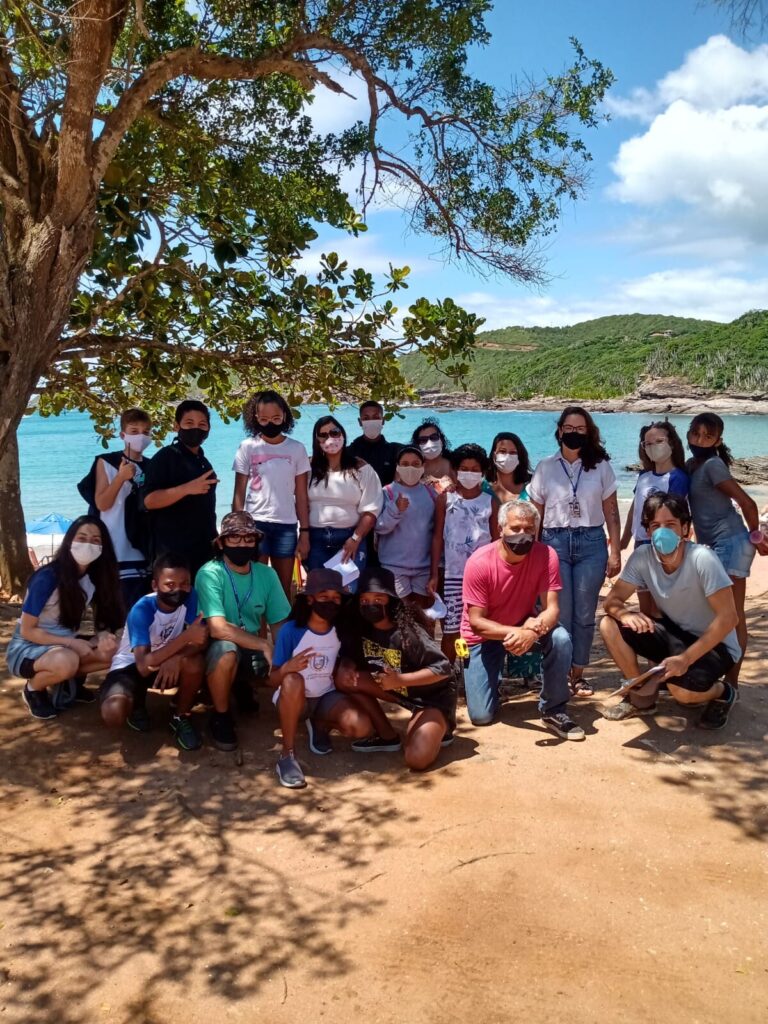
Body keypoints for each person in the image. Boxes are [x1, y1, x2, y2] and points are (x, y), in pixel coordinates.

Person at [600, 493, 741, 729]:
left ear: (685, 528)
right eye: (655, 525)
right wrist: (625, 614)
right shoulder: (643, 557)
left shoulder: (702, 558)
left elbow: (729, 618)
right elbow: (612, 601)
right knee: (609, 623)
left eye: (671, 525)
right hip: (676, 634)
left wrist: (685, 659)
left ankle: (724, 691)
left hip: (716, 645)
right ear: (647, 531)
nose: (662, 531)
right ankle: (640, 696)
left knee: (683, 694)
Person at [460, 499, 585, 740]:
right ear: (500, 529)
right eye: (515, 528)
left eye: (529, 529)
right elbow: (476, 622)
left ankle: (554, 708)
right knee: (481, 717)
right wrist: (517, 632)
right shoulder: (479, 562)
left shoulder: (546, 555)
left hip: (524, 624)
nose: (523, 535)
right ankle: (491, 683)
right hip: (483, 637)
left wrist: (530, 632)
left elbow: (552, 609)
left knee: (560, 638)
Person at [528, 406, 621, 698]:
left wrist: (616, 549)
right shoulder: (545, 466)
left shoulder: (601, 466)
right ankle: (560, 673)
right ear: (559, 431)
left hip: (592, 542)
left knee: (584, 613)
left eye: (580, 429)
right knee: (559, 612)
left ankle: (578, 673)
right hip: (553, 542)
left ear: (589, 432)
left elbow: (612, 510)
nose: (574, 433)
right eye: (569, 428)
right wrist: (532, 549)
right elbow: (536, 514)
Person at [336, 567, 457, 770]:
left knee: (416, 758)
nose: (370, 605)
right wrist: (346, 666)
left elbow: (444, 668)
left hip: (431, 697)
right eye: (364, 600)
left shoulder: (408, 632)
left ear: (390, 600)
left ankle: (441, 726)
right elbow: (351, 657)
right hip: (400, 691)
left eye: (378, 599)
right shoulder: (361, 628)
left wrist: (401, 681)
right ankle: (386, 735)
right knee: (343, 678)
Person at [6, 516, 122, 720]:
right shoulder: (47, 577)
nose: (88, 544)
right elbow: (27, 630)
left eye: (96, 540)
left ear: (104, 547)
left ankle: (70, 683)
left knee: (116, 651)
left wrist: (103, 637)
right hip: (27, 647)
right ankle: (33, 689)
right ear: (69, 541)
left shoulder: (95, 578)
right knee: (66, 661)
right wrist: (71, 643)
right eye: (82, 537)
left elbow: (103, 619)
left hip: (66, 643)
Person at [269, 568, 375, 789]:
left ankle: (319, 724)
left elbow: (347, 658)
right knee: (292, 680)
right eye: (324, 597)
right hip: (293, 699)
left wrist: (347, 664)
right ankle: (287, 755)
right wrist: (289, 667)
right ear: (310, 599)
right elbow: (272, 680)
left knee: (362, 728)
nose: (331, 602)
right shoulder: (291, 631)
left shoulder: (341, 629)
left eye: (336, 598)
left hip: (325, 695)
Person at [195, 511, 291, 750]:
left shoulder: (267, 574)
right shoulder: (209, 573)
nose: (242, 544)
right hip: (217, 646)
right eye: (234, 538)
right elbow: (217, 628)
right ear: (221, 543)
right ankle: (221, 716)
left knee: (287, 659)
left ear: (257, 542)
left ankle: (242, 685)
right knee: (227, 651)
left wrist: (284, 658)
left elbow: (280, 623)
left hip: (251, 648)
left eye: (248, 539)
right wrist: (263, 644)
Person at [685, 412, 767, 688]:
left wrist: (756, 536)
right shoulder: (692, 464)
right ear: (688, 434)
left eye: (708, 436)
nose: (700, 440)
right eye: (696, 433)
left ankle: (731, 683)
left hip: (731, 545)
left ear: (718, 440)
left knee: (733, 617)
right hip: (714, 547)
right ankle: (717, 674)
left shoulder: (712, 466)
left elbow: (748, 503)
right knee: (715, 614)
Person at [100, 554, 209, 749]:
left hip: (163, 660)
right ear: (155, 585)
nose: (178, 589)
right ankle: (135, 703)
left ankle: (180, 716)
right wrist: (185, 638)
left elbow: (200, 640)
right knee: (113, 712)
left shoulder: (191, 596)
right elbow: (142, 666)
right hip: (131, 665)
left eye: (184, 583)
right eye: (169, 584)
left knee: (195, 662)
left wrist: (177, 656)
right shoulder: (142, 609)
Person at [232, 389, 310, 598]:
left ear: (285, 416)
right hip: (254, 525)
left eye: (276, 418)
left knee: (281, 591)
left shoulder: (297, 449)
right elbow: (238, 495)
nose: (270, 424)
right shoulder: (247, 447)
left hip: (286, 527)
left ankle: (279, 631)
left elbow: (301, 495)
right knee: (255, 591)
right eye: (264, 419)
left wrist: (305, 532)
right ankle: (256, 632)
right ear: (255, 418)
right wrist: (237, 531)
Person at [79, 407, 154, 613]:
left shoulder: (151, 467)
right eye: (134, 430)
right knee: (111, 609)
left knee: (138, 609)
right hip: (112, 546)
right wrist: (120, 478)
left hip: (141, 549)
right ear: (123, 435)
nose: (140, 436)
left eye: (146, 432)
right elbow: (102, 503)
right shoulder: (107, 462)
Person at [430, 443, 500, 661]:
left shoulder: (490, 502)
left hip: (484, 578)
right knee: (451, 630)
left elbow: (497, 541)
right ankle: (448, 676)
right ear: (455, 471)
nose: (469, 473)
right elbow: (437, 537)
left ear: (483, 472)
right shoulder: (446, 499)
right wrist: (434, 573)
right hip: (453, 576)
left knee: (482, 627)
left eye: (474, 469)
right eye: (464, 468)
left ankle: (480, 673)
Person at [141, 399, 218, 579]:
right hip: (172, 556)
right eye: (189, 423)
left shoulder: (203, 463)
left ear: (208, 429)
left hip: (204, 552)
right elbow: (148, 501)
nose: (196, 429)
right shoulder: (165, 458)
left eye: (202, 424)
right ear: (177, 426)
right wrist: (187, 488)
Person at [620, 420, 689, 614]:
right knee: (645, 605)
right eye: (648, 443)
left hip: (664, 546)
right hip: (641, 544)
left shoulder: (678, 478)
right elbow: (635, 509)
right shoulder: (643, 476)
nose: (653, 447)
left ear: (672, 443)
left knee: (662, 606)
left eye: (659, 441)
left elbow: (678, 515)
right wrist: (623, 541)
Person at [306, 416, 383, 585]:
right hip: (315, 541)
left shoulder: (361, 468)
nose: (330, 438)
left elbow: (372, 509)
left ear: (343, 434)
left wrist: (355, 539)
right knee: (321, 594)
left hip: (349, 539)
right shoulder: (308, 468)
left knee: (348, 592)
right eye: (323, 435)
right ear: (316, 439)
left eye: (334, 432)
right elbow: (300, 504)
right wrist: (302, 536)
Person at [375, 446, 437, 608]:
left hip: (423, 568)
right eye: (405, 464)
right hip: (393, 567)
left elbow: (437, 529)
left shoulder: (431, 494)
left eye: (416, 464)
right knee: (400, 614)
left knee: (423, 614)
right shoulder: (386, 492)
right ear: (397, 466)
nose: (410, 468)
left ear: (423, 466)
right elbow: (379, 528)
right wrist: (395, 510)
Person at [348, 400, 401, 485]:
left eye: (376, 417)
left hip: (387, 497)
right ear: (360, 422)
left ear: (383, 420)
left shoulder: (395, 451)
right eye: (366, 418)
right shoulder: (349, 452)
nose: (371, 421)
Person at [486, 432, 533, 503]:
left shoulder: (532, 486)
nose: (507, 456)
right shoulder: (482, 488)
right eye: (502, 451)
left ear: (520, 457)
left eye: (512, 452)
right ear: (494, 456)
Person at [410, 418, 455, 493]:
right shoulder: (413, 468)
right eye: (423, 440)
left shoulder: (454, 465)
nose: (429, 443)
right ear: (417, 445)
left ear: (441, 440)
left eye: (434, 437)